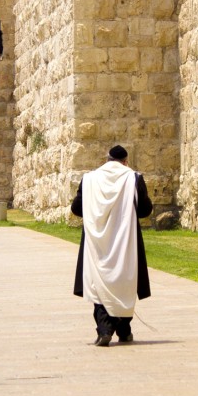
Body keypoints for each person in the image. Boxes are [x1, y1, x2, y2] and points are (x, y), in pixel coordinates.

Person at [71, 144, 153, 347]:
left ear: (107, 159)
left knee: (98, 282)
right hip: (125, 239)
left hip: (97, 241)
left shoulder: (89, 179)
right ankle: (124, 331)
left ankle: (105, 329)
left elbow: (76, 208)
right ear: (125, 161)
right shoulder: (133, 178)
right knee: (124, 281)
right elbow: (144, 210)